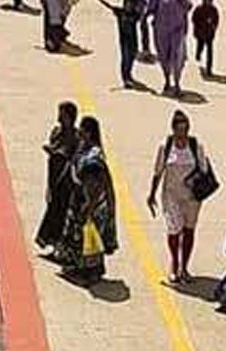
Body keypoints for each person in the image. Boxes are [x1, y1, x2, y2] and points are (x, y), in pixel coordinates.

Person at [147, 109, 210, 283]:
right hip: (171, 195)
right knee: (174, 229)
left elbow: (204, 169)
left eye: (185, 129)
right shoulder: (165, 147)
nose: (183, 134)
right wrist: (151, 195)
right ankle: (174, 264)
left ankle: (185, 267)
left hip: (192, 197)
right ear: (173, 129)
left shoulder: (196, 146)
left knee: (189, 230)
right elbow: (158, 172)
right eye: (179, 130)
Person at [55, 116, 118, 283]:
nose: (79, 132)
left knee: (89, 237)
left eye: (82, 129)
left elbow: (95, 187)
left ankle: (89, 272)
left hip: (92, 204)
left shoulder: (93, 158)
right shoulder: (84, 148)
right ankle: (84, 268)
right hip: (82, 199)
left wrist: (88, 208)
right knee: (84, 236)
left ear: (89, 132)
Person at [36, 101, 81, 249]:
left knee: (61, 212)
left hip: (66, 180)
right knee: (53, 208)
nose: (59, 118)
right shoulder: (56, 132)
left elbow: (72, 156)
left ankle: (58, 244)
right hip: (54, 176)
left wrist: (58, 153)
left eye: (62, 115)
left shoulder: (76, 137)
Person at [147, 0, 191, 96]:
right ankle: (167, 80)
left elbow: (188, 7)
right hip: (161, 29)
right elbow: (150, 9)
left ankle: (177, 83)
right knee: (163, 57)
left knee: (177, 56)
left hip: (177, 29)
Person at [99, 0, 145, 87]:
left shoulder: (134, 15)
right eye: (128, 4)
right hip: (124, 40)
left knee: (132, 55)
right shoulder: (120, 13)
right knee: (125, 56)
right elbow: (109, 6)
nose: (129, 6)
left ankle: (128, 74)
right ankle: (125, 78)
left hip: (133, 38)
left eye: (131, 4)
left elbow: (141, 13)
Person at [191, 0, 219, 78]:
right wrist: (200, 24)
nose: (208, 2)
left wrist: (213, 26)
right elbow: (194, 19)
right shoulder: (199, 9)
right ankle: (198, 54)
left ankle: (209, 70)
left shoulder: (214, 10)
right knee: (200, 46)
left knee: (210, 52)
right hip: (200, 33)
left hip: (209, 34)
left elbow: (216, 20)